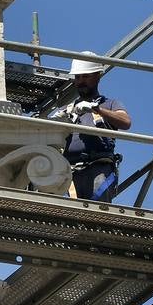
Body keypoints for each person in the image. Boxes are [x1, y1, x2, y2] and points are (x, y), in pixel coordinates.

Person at [56, 54, 131, 202]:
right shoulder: (68, 109)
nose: (81, 81)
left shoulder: (109, 104)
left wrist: (97, 110)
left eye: (85, 76)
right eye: (77, 77)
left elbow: (125, 122)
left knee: (97, 216)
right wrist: (54, 121)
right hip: (69, 172)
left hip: (98, 168)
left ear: (97, 76)